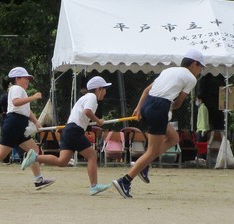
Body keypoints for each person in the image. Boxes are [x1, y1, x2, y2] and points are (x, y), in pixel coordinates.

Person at [112, 49, 205, 198]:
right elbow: (179, 103)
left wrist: (138, 108)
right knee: (152, 151)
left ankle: (143, 165)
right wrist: (168, 107)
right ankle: (125, 181)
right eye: (201, 67)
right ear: (194, 64)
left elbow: (146, 90)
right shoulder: (191, 78)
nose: (200, 70)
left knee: (173, 138)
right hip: (159, 106)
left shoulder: (169, 70)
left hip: (148, 104)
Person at [21, 76, 112, 196]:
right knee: (92, 156)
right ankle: (94, 186)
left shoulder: (86, 97)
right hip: (74, 130)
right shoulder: (92, 97)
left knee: (62, 161)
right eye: (104, 89)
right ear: (98, 89)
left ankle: (34, 158)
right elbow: (87, 112)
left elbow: (83, 115)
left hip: (69, 130)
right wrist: (98, 121)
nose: (105, 92)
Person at [0, 67, 54, 189]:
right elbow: (16, 102)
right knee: (0, 154)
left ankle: (38, 180)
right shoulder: (16, 88)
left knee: (33, 149)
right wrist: (33, 97)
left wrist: (36, 122)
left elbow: (27, 111)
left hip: (18, 124)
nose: (28, 80)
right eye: (26, 78)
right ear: (17, 79)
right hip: (14, 123)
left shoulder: (20, 90)